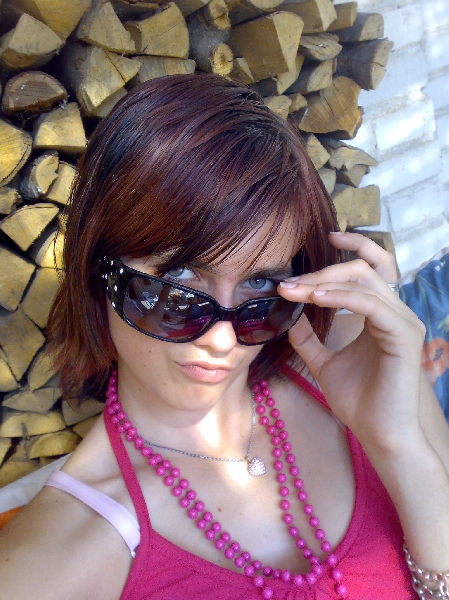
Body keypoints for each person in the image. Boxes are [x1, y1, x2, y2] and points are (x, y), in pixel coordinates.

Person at [0, 74, 448, 600]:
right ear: (98, 268)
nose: (222, 340)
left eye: (261, 284)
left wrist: (398, 445)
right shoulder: (57, 558)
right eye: (178, 278)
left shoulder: (357, 358)